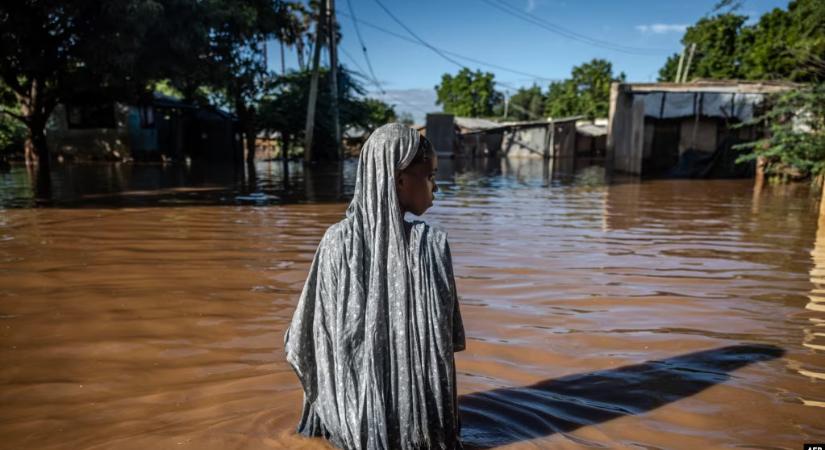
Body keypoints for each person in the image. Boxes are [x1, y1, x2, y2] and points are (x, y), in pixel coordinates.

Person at [284, 123, 465, 450]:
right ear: (398, 181)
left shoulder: (335, 243)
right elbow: (445, 344)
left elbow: (308, 339)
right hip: (422, 432)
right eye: (430, 176)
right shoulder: (431, 245)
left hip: (351, 429)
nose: (436, 187)